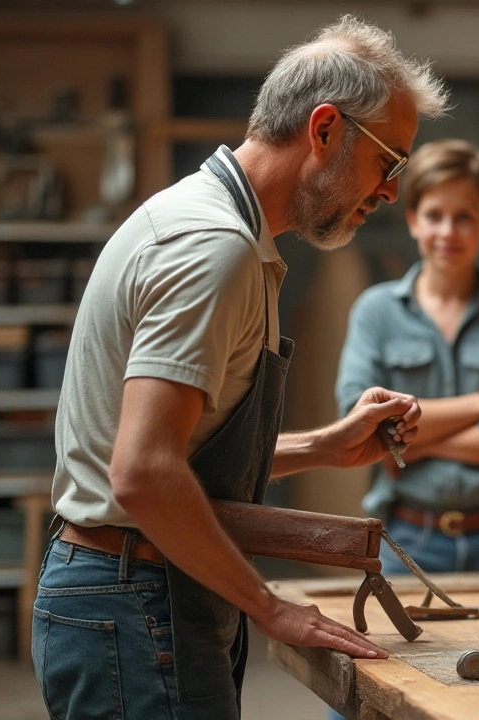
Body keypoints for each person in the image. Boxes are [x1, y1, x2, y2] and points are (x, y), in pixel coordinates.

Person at [35, 16, 448, 720]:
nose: (391, 193)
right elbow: (142, 472)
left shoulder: (225, 232)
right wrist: (268, 606)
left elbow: (169, 455)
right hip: (134, 598)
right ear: (324, 131)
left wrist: (322, 446)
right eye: (390, 162)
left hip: (138, 588)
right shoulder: (213, 248)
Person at [336, 139, 479, 574]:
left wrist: (407, 447)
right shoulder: (375, 313)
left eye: (464, 217)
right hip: (406, 538)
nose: (448, 232)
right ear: (413, 220)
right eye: (435, 216)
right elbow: (358, 423)